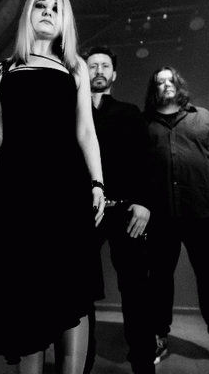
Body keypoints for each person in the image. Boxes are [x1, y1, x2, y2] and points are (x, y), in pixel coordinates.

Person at [0, 0, 106, 374]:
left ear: (64, 20)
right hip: (16, 193)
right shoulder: (4, 69)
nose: (47, 12)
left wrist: (97, 182)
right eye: (40, 6)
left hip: (65, 191)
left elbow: (86, 132)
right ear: (28, 14)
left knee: (71, 289)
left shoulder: (75, 67)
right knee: (25, 294)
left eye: (55, 8)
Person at [143, 66, 209, 373]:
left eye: (170, 80)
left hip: (201, 215)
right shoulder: (145, 124)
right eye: (159, 82)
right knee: (159, 281)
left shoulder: (204, 117)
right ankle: (159, 336)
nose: (165, 85)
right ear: (154, 90)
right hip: (161, 218)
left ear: (178, 84)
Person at [81, 45, 156, 374]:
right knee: (80, 290)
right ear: (83, 71)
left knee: (136, 290)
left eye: (104, 66)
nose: (98, 70)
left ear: (114, 74)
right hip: (84, 213)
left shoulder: (129, 113)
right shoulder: (73, 114)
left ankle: (143, 365)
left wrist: (144, 202)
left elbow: (146, 160)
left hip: (126, 212)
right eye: (92, 65)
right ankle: (81, 363)